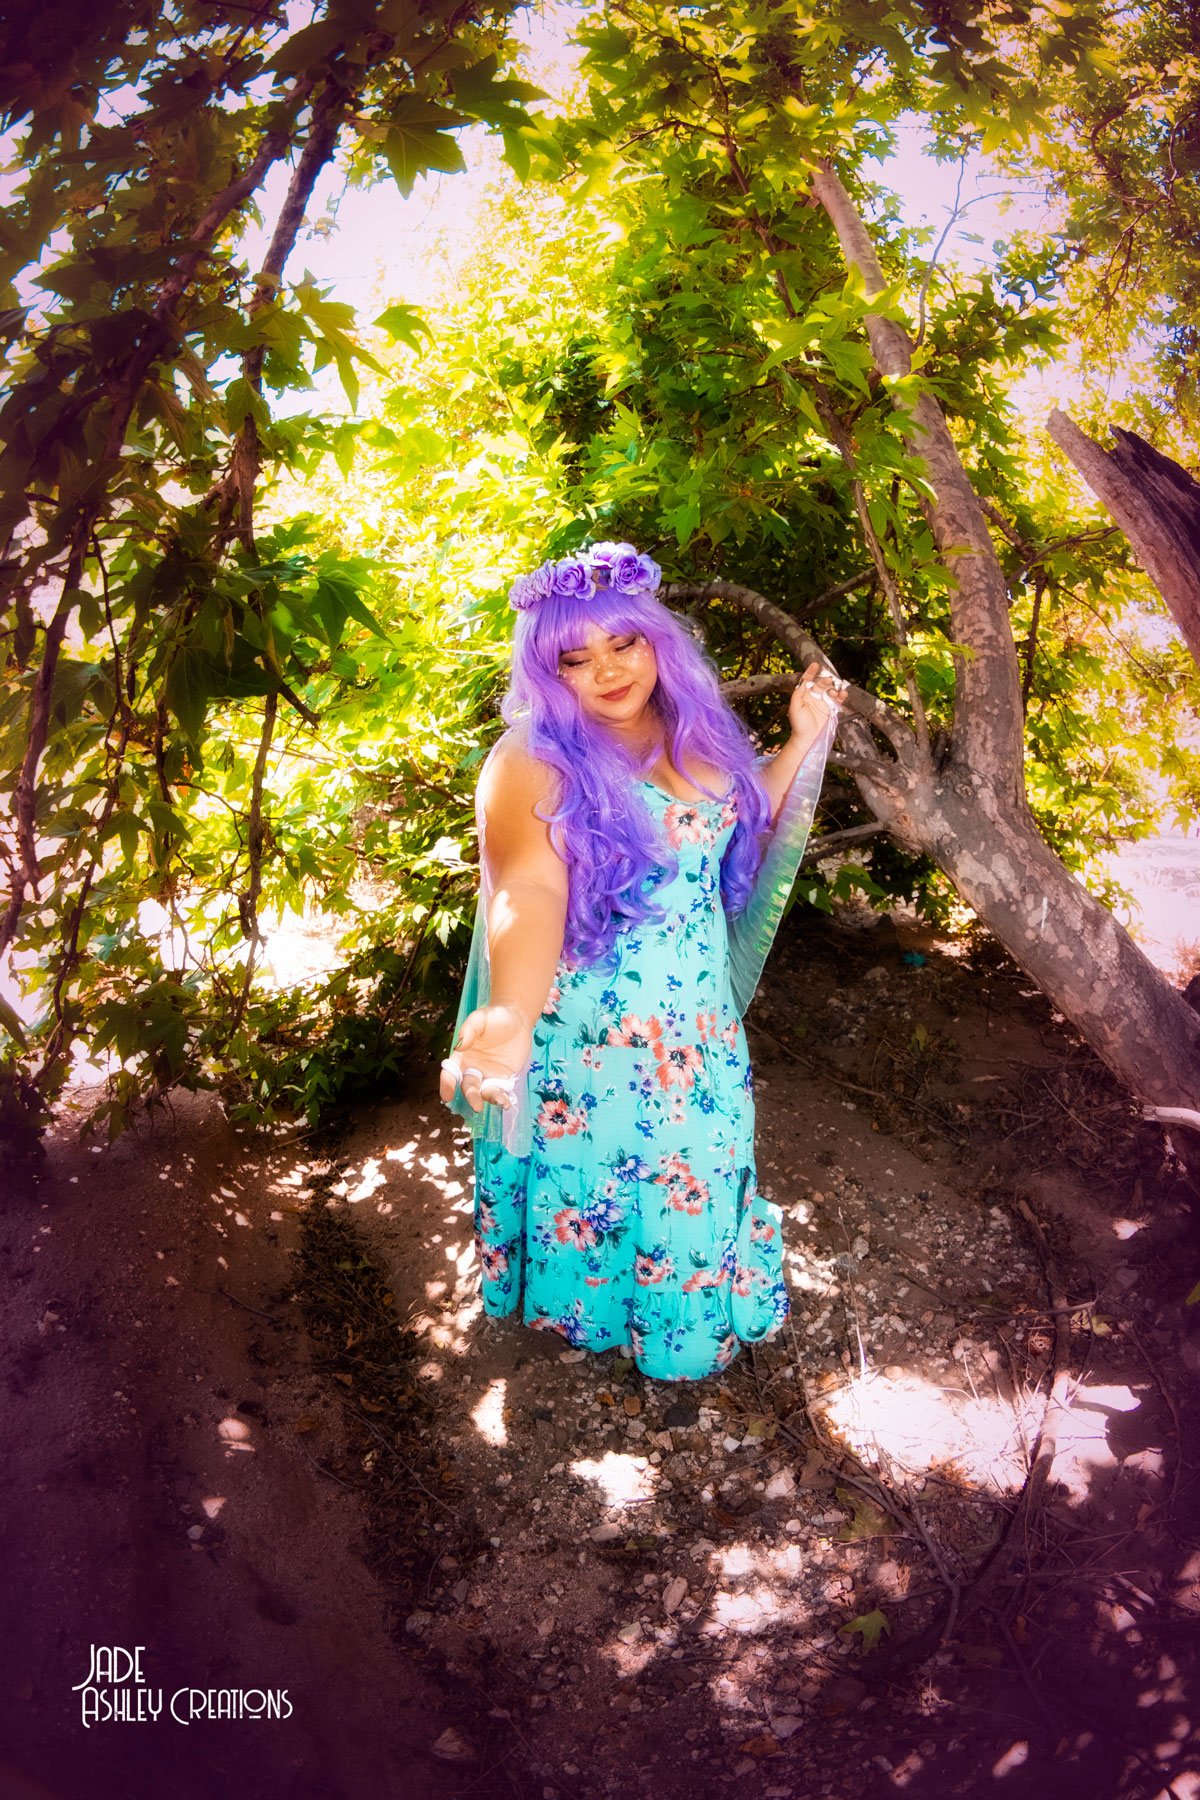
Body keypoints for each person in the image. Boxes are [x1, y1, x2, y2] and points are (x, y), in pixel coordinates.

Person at [438, 541, 848, 1381]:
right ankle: (593, 1323)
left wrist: (801, 742)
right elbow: (530, 890)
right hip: (595, 1039)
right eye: (575, 659)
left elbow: (737, 824)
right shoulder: (533, 758)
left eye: (623, 643)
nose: (608, 671)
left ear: (657, 638)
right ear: (548, 673)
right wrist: (509, 1018)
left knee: (689, 1184)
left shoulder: (694, 727)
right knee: (602, 1187)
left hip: (697, 1033)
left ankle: (675, 1333)